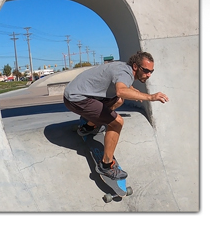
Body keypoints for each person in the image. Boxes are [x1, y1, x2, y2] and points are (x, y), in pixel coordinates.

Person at [62, 51, 169, 180]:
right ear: (135, 66)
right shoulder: (124, 72)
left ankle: (89, 126)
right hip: (76, 99)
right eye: (146, 70)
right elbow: (121, 90)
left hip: (80, 94)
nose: (148, 75)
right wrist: (150, 97)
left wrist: (134, 91)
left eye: (151, 71)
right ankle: (105, 166)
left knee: (118, 100)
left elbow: (123, 84)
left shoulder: (123, 67)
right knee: (117, 122)